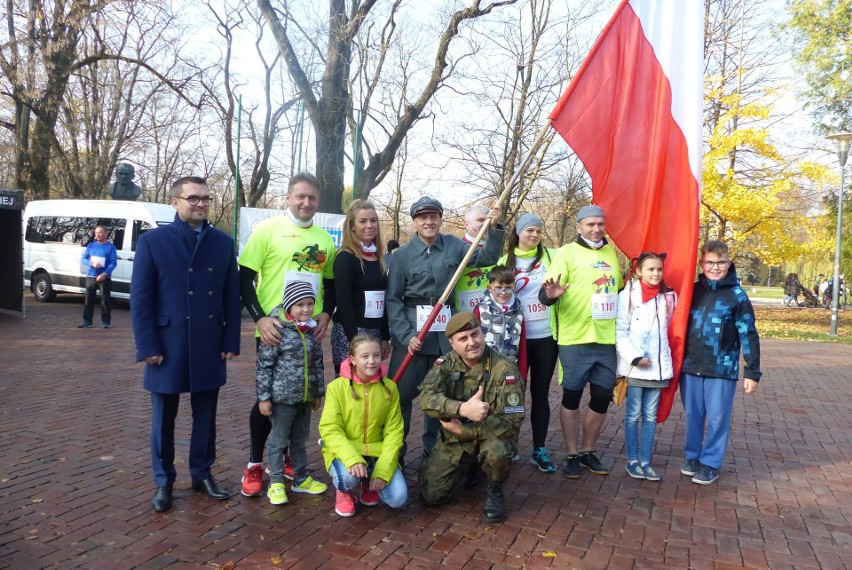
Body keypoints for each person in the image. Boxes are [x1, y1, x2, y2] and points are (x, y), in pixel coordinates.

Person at [131, 176, 241, 512]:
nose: (201, 204)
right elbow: (142, 298)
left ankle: (201, 473)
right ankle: (163, 481)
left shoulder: (223, 242)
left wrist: (230, 338)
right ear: (175, 202)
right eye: (193, 198)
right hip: (168, 341)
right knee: (164, 416)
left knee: (205, 415)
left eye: (206, 199)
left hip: (208, 340)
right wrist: (147, 345)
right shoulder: (153, 241)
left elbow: (230, 296)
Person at [238, 172, 336, 498]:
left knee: (301, 398)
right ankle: (254, 465)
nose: (306, 202)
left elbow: (331, 284)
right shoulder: (266, 230)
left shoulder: (325, 239)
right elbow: (243, 279)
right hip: (274, 331)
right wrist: (261, 318)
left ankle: (292, 465)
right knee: (268, 400)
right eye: (300, 196)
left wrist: (326, 313)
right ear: (288, 197)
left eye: (311, 197)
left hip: (309, 332)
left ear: (317, 200)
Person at [386, 196, 505, 462]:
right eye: (422, 217)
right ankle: (395, 457)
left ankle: (435, 454)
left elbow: (486, 256)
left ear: (440, 219)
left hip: (444, 336)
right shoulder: (402, 256)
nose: (428, 222)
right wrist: (406, 336)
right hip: (413, 336)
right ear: (414, 222)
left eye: (433, 217)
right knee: (400, 398)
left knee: (441, 397)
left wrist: (494, 228)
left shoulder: (454, 246)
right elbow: (393, 300)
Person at [539, 205, 624, 479]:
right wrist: (551, 295)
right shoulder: (566, 253)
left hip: (606, 339)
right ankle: (572, 453)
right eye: (590, 224)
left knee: (601, 398)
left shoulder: (611, 253)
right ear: (578, 226)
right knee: (572, 396)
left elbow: (619, 290)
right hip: (575, 338)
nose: (597, 229)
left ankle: (588, 451)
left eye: (600, 224)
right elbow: (545, 296)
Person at [418, 312, 525, 522]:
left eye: (475, 334)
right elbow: (427, 399)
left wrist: (464, 430)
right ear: (452, 343)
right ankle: (467, 465)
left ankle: (494, 488)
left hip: (490, 436)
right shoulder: (445, 364)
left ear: (482, 333)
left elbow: (511, 423)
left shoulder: (504, 369)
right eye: (463, 339)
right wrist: (462, 410)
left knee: (498, 452)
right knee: (431, 496)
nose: (472, 342)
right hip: (455, 439)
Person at [680, 240, 761, 485]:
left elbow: (748, 333)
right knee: (693, 414)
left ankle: (711, 463)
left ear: (728, 262)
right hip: (691, 365)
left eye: (721, 262)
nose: (715, 267)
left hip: (721, 367)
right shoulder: (692, 291)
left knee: (717, 417)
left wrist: (752, 371)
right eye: (710, 262)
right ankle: (692, 457)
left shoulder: (737, 296)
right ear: (702, 263)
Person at [319, 334, 407, 517]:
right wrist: (351, 458)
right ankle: (344, 492)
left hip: (376, 451)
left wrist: (383, 470)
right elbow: (330, 428)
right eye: (364, 356)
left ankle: (369, 482)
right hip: (346, 450)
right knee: (347, 479)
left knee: (398, 498)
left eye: (376, 355)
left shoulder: (390, 387)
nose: (371, 361)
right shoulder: (336, 388)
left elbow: (395, 432)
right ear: (353, 359)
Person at [257, 281, 328, 505]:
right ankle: (276, 481)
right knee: (278, 441)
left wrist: (318, 393)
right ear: (289, 306)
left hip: (304, 398)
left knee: (299, 440)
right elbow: (264, 366)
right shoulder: (277, 331)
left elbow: (317, 364)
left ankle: (300, 477)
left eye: (310, 304)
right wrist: (264, 398)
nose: (306, 309)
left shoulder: (311, 330)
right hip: (282, 399)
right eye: (300, 305)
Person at [499, 212, 559, 473]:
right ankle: (510, 444)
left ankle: (539, 448)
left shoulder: (551, 257)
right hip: (516, 339)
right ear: (518, 232)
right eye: (529, 231)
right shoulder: (505, 260)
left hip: (546, 336)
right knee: (513, 394)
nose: (534, 235)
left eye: (537, 231)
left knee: (540, 394)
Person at [615, 252, 677, 482]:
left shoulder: (669, 296)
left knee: (650, 416)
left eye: (659, 269)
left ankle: (646, 460)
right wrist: (634, 358)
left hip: (658, 368)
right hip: (636, 367)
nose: (655, 273)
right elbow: (620, 331)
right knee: (632, 415)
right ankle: (632, 459)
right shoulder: (627, 296)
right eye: (650, 269)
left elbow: (672, 329)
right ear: (639, 271)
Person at [330, 200, 390, 374]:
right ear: (352, 226)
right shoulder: (345, 257)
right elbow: (343, 302)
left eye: (373, 220)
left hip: (375, 332)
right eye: (362, 221)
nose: (369, 225)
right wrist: (354, 340)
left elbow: (383, 300)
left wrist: (385, 336)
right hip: (351, 331)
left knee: (371, 386)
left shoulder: (379, 257)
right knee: (349, 385)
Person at [454, 205, 492, 312]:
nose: (486, 224)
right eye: (480, 220)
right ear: (466, 224)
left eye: (489, 220)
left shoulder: (497, 250)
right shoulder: (455, 250)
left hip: (491, 315)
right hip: (463, 317)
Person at [78, 225, 117, 329]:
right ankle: (87, 321)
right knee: (89, 300)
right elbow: (83, 259)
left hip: (104, 278)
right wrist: (92, 263)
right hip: (91, 276)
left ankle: (106, 322)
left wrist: (104, 274)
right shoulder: (91, 245)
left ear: (106, 233)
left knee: (105, 300)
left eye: (100, 233)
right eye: (96, 233)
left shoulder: (110, 247)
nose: (97, 235)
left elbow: (113, 263)